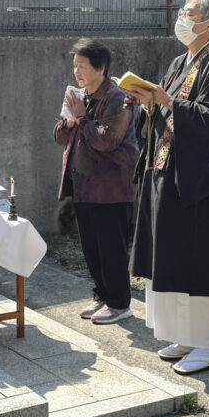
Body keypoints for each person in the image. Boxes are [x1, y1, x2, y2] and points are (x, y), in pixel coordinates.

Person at [129, 0, 209, 375]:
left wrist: (167, 102)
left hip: (195, 180)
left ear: (208, 23)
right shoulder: (180, 62)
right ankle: (186, 336)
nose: (182, 17)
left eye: (190, 13)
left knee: (198, 259)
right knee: (171, 257)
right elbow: (163, 117)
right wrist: (149, 104)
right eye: (182, 10)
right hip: (166, 173)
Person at [54, 39, 139, 325]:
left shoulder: (119, 97)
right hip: (84, 185)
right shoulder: (81, 96)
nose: (77, 71)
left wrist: (81, 119)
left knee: (112, 247)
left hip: (111, 187)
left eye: (83, 66)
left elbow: (107, 139)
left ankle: (119, 303)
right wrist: (68, 123)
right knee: (91, 247)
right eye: (74, 65)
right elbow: (61, 137)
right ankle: (102, 296)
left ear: (100, 67)